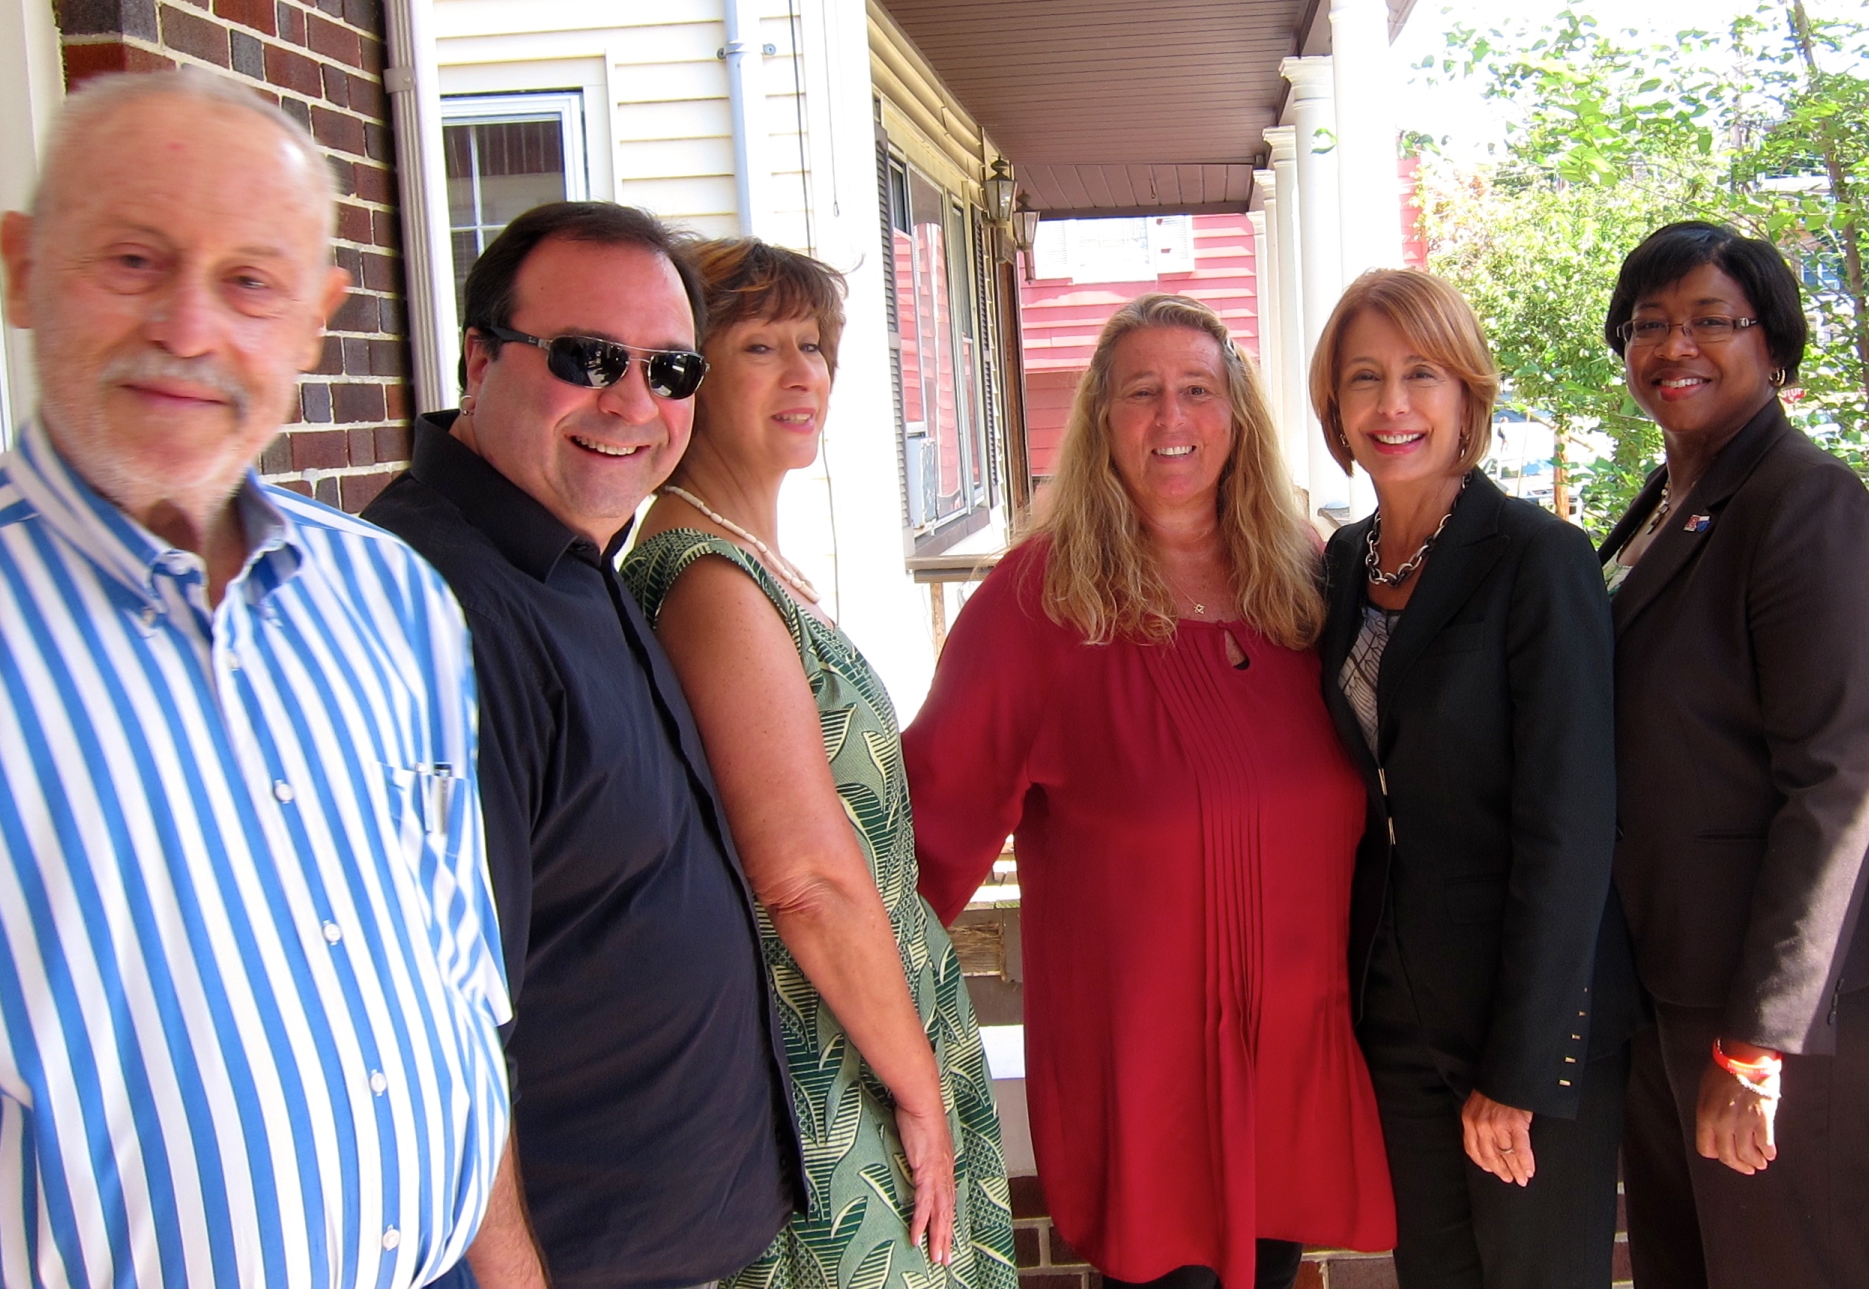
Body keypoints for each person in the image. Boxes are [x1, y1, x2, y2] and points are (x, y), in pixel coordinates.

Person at [0, 69, 510, 1285]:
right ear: (22, 268)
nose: (189, 330)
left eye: (250, 281)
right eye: (133, 261)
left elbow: (454, 989)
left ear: (316, 319)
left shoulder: (394, 599)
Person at [906, 294, 1395, 1289]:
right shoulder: (1037, 602)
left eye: (1197, 390)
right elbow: (926, 832)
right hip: (1146, 1081)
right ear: (1100, 418)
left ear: (1237, 415)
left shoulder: (1305, 582)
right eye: (1141, 392)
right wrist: (867, 1021)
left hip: (1289, 1059)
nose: (1172, 418)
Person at [365, 202, 801, 1289]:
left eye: (670, 369)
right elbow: (436, 1023)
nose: (632, 402)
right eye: (587, 357)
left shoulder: (566, 553)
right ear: (479, 359)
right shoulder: (441, 609)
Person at [621, 236, 1015, 1289]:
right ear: (689, 375)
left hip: (865, 1034)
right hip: (824, 1067)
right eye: (761, 346)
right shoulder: (709, 583)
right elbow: (799, 877)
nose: (803, 373)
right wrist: (917, 1089)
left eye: (815, 346)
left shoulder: (753, 564)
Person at [1594, 222, 1869, 1288]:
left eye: (1711, 321)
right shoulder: (1670, 502)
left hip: (1775, 996)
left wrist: (1761, 1037)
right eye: (1649, 323)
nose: (1673, 345)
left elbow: (1835, 785)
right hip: (1670, 972)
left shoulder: (1809, 506)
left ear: (1773, 345)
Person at [1310, 268, 1632, 1289]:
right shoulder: (1339, 565)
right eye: (1364, 377)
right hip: (1393, 1013)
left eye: (1421, 373)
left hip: (1520, 1020)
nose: (1392, 404)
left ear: (1467, 395)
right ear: (1335, 405)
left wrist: (1520, 1066)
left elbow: (1570, 829)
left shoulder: (1539, 558)